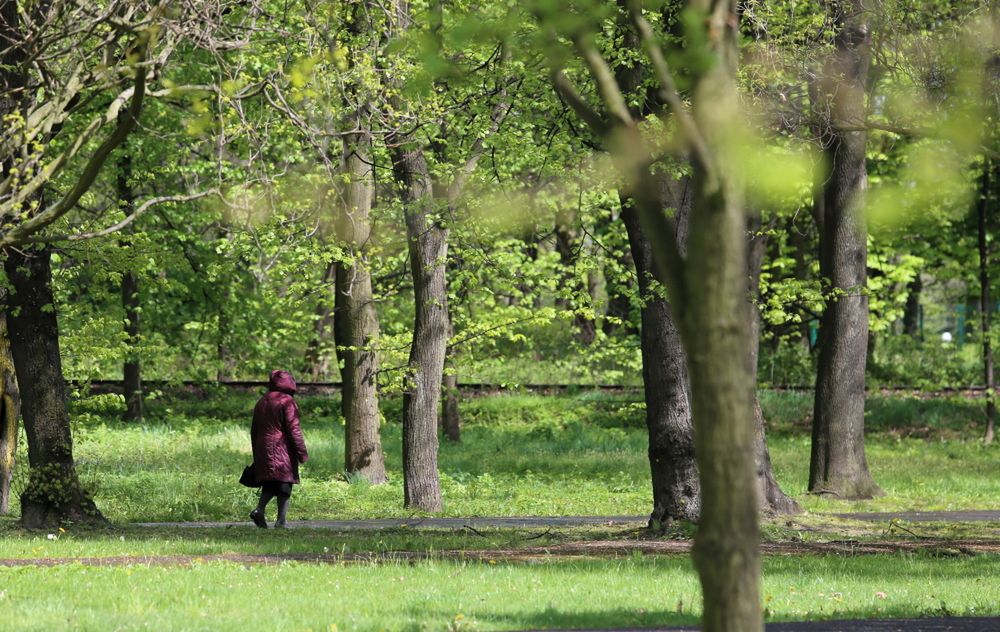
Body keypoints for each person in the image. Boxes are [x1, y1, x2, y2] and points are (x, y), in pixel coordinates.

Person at [249, 370, 308, 528]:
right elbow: (293, 429)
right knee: (285, 482)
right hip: (281, 446)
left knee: (271, 481)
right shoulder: (287, 401)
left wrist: (256, 451)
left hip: (263, 446)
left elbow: (254, 430)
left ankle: (259, 511)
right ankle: (281, 521)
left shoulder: (262, 401)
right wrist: (302, 453)